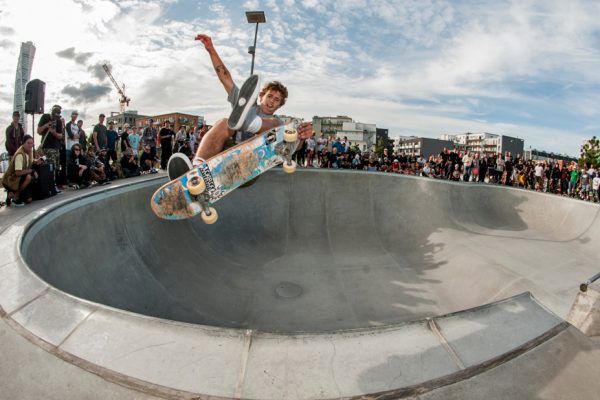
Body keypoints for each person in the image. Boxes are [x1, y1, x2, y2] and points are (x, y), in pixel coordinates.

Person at [188, 34, 312, 172]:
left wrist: (302, 137)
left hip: (254, 162)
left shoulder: (279, 122)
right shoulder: (247, 105)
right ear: (261, 96)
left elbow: (295, 146)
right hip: (230, 155)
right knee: (224, 122)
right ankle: (197, 169)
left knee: (278, 125)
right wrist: (211, 50)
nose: (272, 101)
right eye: (270, 96)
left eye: (277, 100)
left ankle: (252, 124)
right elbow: (225, 78)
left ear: (279, 106)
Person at [2, 135, 41, 206]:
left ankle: (11, 194)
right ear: (23, 143)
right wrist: (31, 170)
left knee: (29, 200)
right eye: (28, 143)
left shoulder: (29, 151)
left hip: (20, 179)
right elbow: (17, 173)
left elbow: (31, 161)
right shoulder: (20, 154)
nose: (30, 145)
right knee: (29, 177)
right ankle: (16, 195)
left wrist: (37, 161)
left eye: (32, 143)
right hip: (11, 180)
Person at [37, 104, 66, 191]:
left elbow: (61, 136)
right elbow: (38, 131)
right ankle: (47, 186)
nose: (54, 119)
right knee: (46, 167)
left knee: (54, 167)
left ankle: (53, 185)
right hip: (46, 147)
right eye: (53, 117)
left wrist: (53, 132)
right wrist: (46, 125)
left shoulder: (59, 121)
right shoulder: (45, 117)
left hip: (55, 147)